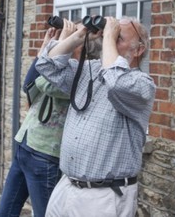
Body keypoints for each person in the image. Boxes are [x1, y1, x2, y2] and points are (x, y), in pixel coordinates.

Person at [36, 16, 156, 217]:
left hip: (104, 196)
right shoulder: (89, 70)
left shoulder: (142, 84)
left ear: (138, 50)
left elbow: (116, 81)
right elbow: (46, 65)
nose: (110, 38)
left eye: (119, 37)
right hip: (67, 186)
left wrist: (109, 35)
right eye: (112, 35)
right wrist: (79, 35)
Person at [0, 19, 101, 217]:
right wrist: (47, 46)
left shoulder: (81, 74)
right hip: (25, 144)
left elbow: (45, 82)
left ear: (81, 46)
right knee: (6, 212)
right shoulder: (58, 67)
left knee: (45, 213)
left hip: (45, 154)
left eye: (73, 39)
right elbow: (29, 85)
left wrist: (59, 44)